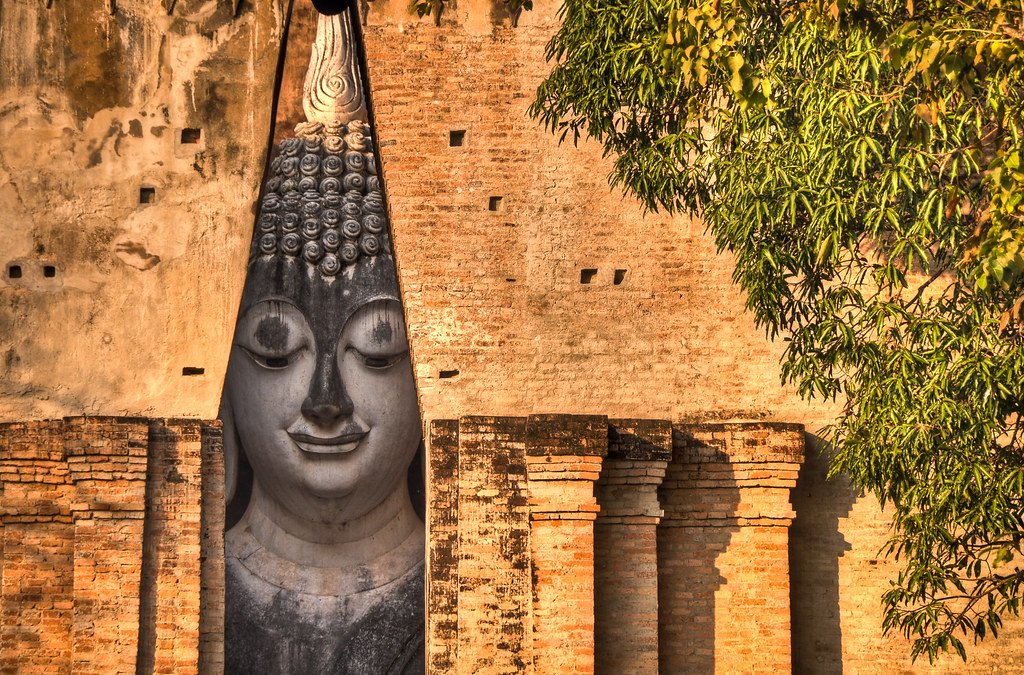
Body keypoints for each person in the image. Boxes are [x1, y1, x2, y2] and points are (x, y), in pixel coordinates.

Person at [219, 6, 424, 672]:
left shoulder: (474, 594)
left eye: (378, 351)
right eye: (276, 351)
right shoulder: (189, 592)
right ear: (221, 379)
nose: (326, 400)